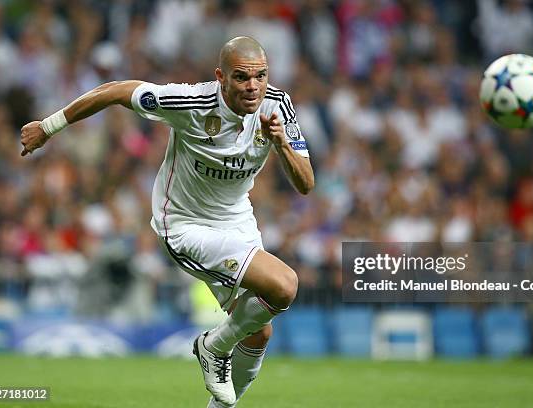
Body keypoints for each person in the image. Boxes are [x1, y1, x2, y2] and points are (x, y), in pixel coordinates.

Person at [20, 36, 314, 407]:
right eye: (241, 77)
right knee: (285, 285)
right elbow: (115, 90)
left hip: (237, 220)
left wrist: (282, 144)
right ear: (221, 77)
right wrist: (49, 127)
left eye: (260, 76)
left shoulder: (278, 107)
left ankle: (216, 377)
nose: (253, 87)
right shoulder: (190, 102)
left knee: (258, 333)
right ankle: (213, 346)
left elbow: (306, 184)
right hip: (183, 224)